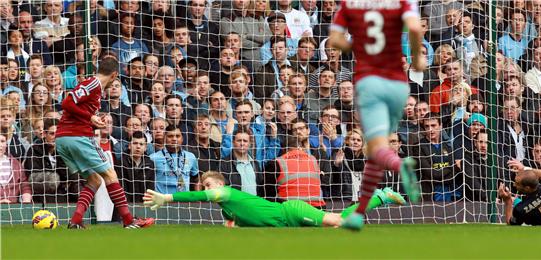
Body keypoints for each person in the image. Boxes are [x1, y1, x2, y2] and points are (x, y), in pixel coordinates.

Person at [328, 0, 425, 230]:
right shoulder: (402, 2)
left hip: (370, 82)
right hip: (398, 86)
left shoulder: (350, 4)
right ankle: (359, 213)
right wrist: (417, 58)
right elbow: (413, 27)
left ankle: (400, 165)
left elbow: (335, 39)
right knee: (374, 148)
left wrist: (357, 46)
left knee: (377, 147)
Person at [55, 57, 154, 229]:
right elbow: (66, 103)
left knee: (94, 180)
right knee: (110, 174)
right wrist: (90, 117)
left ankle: (76, 221)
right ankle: (129, 221)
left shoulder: (95, 88)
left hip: (64, 138)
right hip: (77, 137)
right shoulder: (93, 83)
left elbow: (76, 111)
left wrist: (93, 121)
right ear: (114, 75)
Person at [144, 171, 405, 228]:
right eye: (205, 185)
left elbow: (199, 195)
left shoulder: (227, 192)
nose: (207, 188)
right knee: (338, 224)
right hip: (286, 223)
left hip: (289, 212)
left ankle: (379, 196)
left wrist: (167, 197)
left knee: (338, 221)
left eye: (209, 184)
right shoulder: (227, 212)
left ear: (220, 184)